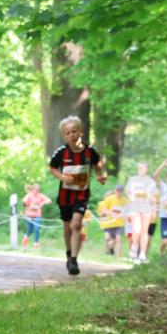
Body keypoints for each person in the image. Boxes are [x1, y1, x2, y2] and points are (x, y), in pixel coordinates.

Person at [48, 115, 107, 275]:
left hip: (82, 194)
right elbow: (52, 167)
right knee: (67, 227)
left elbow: (98, 165)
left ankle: (74, 260)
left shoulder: (89, 152)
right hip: (65, 195)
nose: (71, 135)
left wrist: (101, 175)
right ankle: (69, 254)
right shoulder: (61, 153)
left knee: (76, 224)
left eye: (74, 131)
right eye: (67, 133)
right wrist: (62, 177)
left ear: (81, 132)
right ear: (64, 136)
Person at [124, 161, 158, 263]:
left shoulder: (151, 181)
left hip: (146, 208)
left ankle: (142, 253)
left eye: (142, 168)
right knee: (137, 230)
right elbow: (128, 194)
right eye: (139, 168)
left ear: (146, 169)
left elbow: (153, 197)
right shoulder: (132, 180)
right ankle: (134, 247)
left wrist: (154, 210)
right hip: (135, 208)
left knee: (144, 231)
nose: (140, 170)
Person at [96, 185, 128, 257]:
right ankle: (110, 250)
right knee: (108, 239)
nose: (118, 192)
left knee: (118, 239)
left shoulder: (125, 200)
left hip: (119, 223)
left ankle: (118, 256)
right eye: (117, 190)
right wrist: (111, 214)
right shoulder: (109, 199)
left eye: (120, 191)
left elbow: (127, 211)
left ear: (122, 192)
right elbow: (103, 210)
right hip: (109, 223)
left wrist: (126, 218)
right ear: (115, 190)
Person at [21, 183, 52, 248]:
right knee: (30, 229)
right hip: (29, 215)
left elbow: (49, 201)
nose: (37, 192)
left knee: (37, 229)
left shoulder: (40, 196)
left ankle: (35, 244)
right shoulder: (29, 195)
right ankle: (26, 237)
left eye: (38, 190)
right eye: (36, 190)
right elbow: (23, 203)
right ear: (33, 190)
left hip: (38, 215)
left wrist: (43, 202)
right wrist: (28, 205)